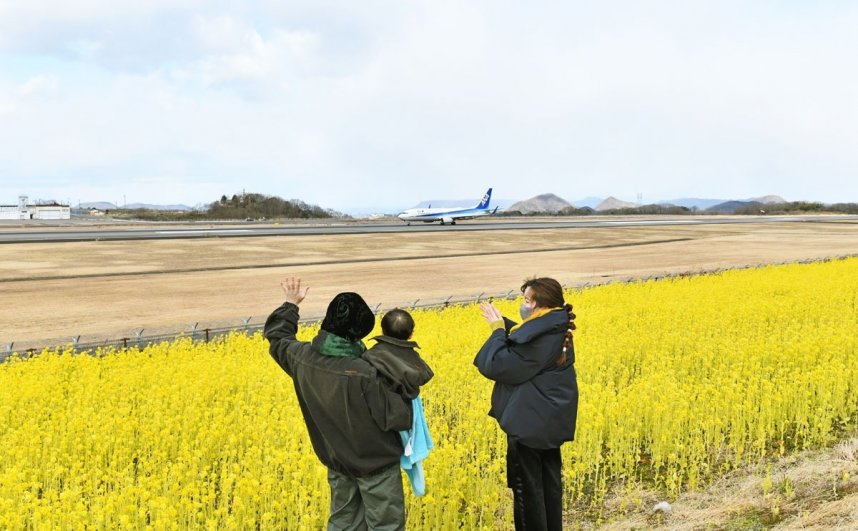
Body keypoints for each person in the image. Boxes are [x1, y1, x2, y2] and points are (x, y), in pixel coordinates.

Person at [264, 277, 412, 531]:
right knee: (385, 526)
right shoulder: (367, 373)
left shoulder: (301, 357)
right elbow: (398, 419)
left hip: (337, 460)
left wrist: (290, 304)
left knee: (344, 523)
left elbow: (277, 337)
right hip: (375, 465)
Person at [473, 277, 578, 531]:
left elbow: (499, 365)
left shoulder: (543, 338)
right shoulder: (554, 326)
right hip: (545, 422)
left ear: (540, 305)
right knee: (548, 486)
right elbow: (526, 342)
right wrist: (506, 325)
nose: (523, 305)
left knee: (528, 492)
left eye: (527, 300)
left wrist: (498, 330)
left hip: (530, 426)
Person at [362, 309, 434, 496]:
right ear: (411, 334)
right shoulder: (416, 363)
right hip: (404, 420)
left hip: (376, 431)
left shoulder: (369, 358)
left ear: (382, 330)